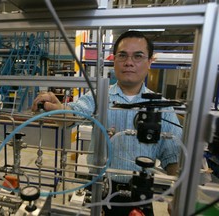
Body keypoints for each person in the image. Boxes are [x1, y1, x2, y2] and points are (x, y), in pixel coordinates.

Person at [32, 31, 182, 216]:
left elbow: (173, 156)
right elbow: (73, 115)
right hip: (100, 188)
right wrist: (58, 107)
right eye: (122, 55)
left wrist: (180, 193)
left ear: (150, 61)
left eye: (138, 56)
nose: (129, 62)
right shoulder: (99, 97)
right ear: (114, 60)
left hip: (141, 193)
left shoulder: (161, 107)